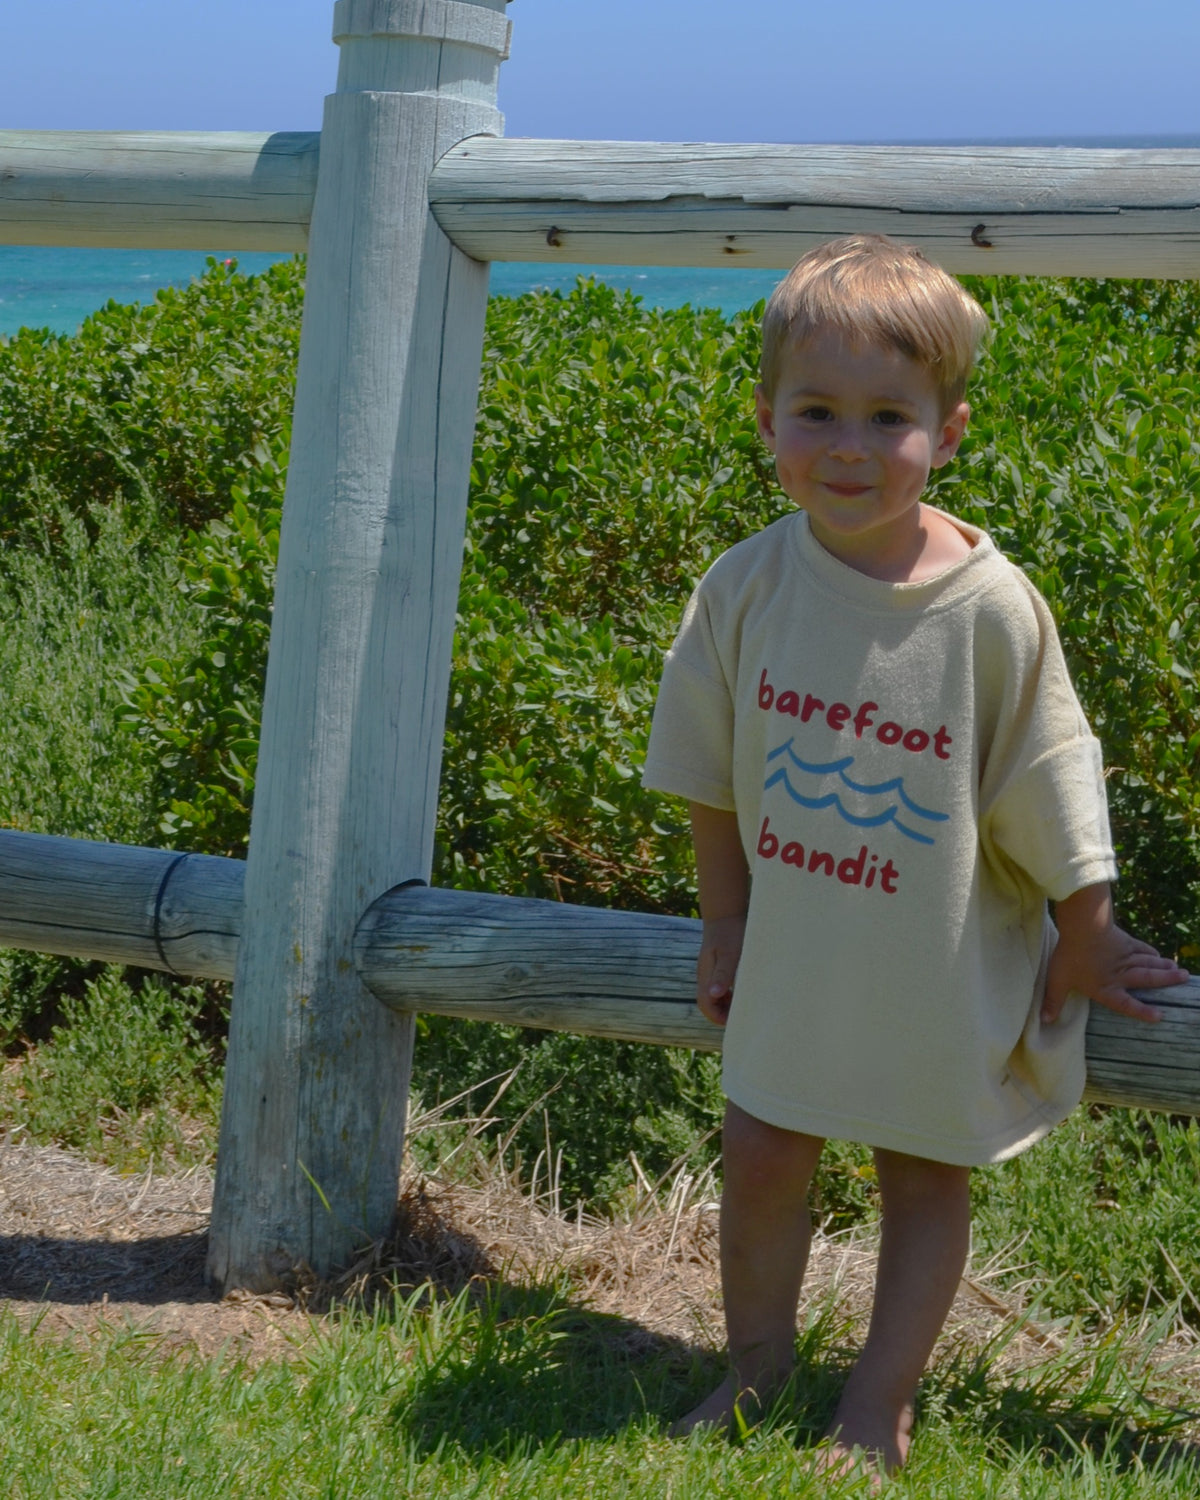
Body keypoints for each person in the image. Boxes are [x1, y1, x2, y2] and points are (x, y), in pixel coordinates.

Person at [641, 233, 1188, 1477]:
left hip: (937, 955)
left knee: (922, 1171)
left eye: (887, 417)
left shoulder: (991, 606)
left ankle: (878, 1403)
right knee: (763, 1148)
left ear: (947, 430)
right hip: (798, 951)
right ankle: (756, 1368)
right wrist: (722, 922)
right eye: (816, 411)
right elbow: (711, 780)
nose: (846, 446)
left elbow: (1053, 767)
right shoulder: (746, 588)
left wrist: (1087, 925)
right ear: (767, 419)